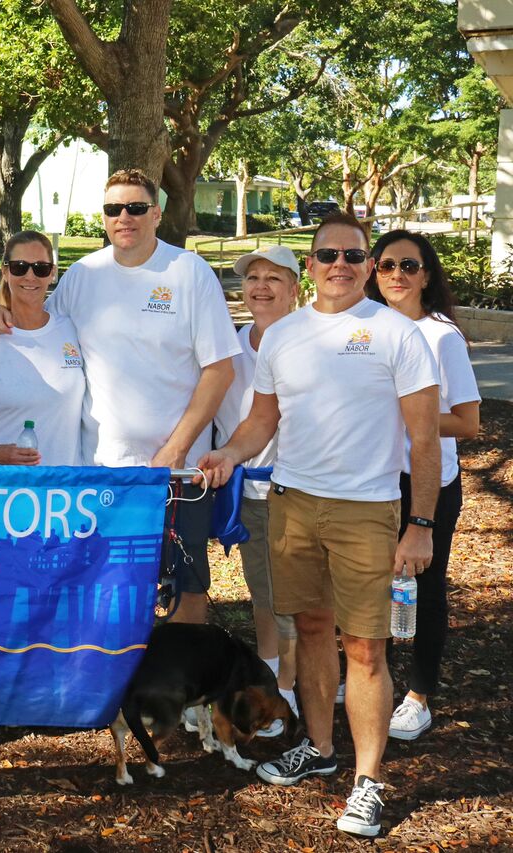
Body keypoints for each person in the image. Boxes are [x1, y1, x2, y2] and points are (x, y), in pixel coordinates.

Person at [198, 213, 441, 838]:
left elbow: (423, 441)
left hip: (368, 511)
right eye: (327, 254)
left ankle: (367, 782)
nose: (340, 264)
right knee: (309, 629)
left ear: (367, 265)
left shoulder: (397, 335)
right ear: (311, 264)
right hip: (292, 504)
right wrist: (230, 453)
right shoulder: (283, 336)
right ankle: (322, 751)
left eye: (354, 256)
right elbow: (262, 421)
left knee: (365, 648)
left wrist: (420, 524)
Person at [0, 169, 239, 626]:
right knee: (111, 586)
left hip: (177, 471)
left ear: (157, 214)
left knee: (187, 590)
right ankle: (121, 689)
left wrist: (174, 450)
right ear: (102, 218)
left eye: (137, 207)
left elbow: (219, 370)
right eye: (113, 208)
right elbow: (38, 324)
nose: (125, 217)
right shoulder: (83, 276)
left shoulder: (188, 272)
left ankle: (187, 695)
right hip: (101, 470)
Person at [365, 230, 481, 743]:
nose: (396, 275)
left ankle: (419, 696)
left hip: (429, 481)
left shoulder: (442, 336)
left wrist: (407, 418)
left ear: (426, 275)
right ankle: (376, 679)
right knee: (373, 581)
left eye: (408, 266)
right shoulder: (365, 328)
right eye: (386, 265)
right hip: (372, 478)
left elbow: (468, 422)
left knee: (424, 587)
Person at [211, 245, 303, 735]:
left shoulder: (307, 340)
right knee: (262, 592)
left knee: (293, 595)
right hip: (244, 489)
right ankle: (273, 677)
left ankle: (290, 687)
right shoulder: (227, 346)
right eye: (253, 278)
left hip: (298, 490)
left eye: (274, 278)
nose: (261, 287)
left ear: (294, 288)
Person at [0, 231, 83, 467]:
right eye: (19, 267)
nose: (30, 276)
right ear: (5, 272)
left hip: (64, 487)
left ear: (53, 273)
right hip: (2, 486)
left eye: (40, 268)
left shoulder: (71, 328)